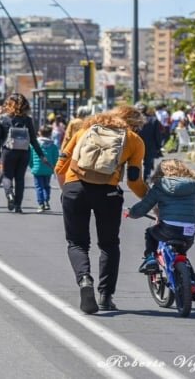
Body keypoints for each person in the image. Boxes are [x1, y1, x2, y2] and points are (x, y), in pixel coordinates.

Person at [55, 105, 149, 314]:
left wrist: (67, 190)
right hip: (108, 193)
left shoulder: (83, 132)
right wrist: (152, 202)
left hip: (74, 188)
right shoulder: (134, 140)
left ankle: (84, 279)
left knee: (77, 243)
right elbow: (134, 181)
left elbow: (60, 167)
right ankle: (106, 296)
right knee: (109, 244)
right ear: (133, 124)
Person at [127, 159, 195, 300]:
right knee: (182, 255)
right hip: (188, 230)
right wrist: (191, 211)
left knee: (151, 233)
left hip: (168, 228)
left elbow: (144, 206)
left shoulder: (160, 186)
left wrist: (132, 213)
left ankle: (150, 259)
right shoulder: (193, 185)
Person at [0, 93, 47, 214]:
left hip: (8, 151)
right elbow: (33, 139)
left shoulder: (2, 118)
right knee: (20, 179)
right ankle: (18, 206)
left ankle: (9, 194)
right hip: (24, 152)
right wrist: (41, 155)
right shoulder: (28, 120)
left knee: (7, 176)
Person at [29, 125, 59, 213]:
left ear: (39, 133)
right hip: (48, 169)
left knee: (39, 187)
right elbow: (56, 158)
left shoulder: (34, 145)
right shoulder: (53, 146)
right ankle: (46, 201)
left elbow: (30, 157)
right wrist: (54, 167)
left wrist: (32, 166)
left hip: (37, 169)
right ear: (50, 134)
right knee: (46, 186)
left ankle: (41, 204)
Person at [135, 103, 162, 181]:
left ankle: (135, 179)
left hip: (136, 145)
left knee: (135, 163)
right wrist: (158, 146)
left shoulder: (133, 120)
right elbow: (158, 135)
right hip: (150, 145)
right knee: (148, 164)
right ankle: (146, 179)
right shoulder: (154, 119)